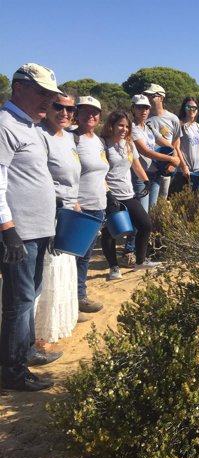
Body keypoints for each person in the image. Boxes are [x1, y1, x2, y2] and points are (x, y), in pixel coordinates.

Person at [0, 63, 61, 391]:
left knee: (30, 294)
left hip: (38, 229)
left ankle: (21, 354)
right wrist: (7, 227)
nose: (47, 101)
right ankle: (12, 371)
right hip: (19, 230)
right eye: (42, 93)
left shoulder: (31, 127)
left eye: (51, 96)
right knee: (19, 300)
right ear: (18, 88)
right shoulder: (5, 125)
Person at [35, 93, 83, 350]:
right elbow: (39, 177)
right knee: (47, 271)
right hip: (49, 213)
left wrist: (74, 201)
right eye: (59, 107)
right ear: (48, 107)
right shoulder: (40, 135)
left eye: (70, 108)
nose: (65, 113)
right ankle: (37, 333)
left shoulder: (68, 138)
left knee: (64, 268)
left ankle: (58, 324)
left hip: (68, 213)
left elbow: (70, 176)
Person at [100, 111, 160, 279]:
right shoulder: (103, 144)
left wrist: (146, 181)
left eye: (127, 126)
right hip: (110, 194)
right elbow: (99, 172)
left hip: (128, 193)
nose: (124, 129)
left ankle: (140, 261)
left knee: (145, 225)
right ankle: (113, 267)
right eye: (120, 125)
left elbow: (136, 165)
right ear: (111, 125)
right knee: (111, 231)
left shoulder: (129, 144)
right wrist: (107, 193)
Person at [122, 94, 179, 266]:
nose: (144, 110)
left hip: (153, 175)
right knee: (141, 216)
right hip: (141, 176)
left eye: (146, 107)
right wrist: (169, 159)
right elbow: (145, 151)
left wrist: (174, 152)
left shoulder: (147, 127)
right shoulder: (132, 129)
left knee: (150, 215)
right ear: (133, 108)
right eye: (139, 107)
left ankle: (143, 252)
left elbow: (164, 142)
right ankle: (129, 251)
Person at [74, 96, 109, 314]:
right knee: (74, 257)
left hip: (98, 205)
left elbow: (100, 171)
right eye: (85, 111)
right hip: (79, 208)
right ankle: (74, 299)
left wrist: (108, 194)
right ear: (76, 114)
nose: (91, 116)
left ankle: (80, 296)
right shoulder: (71, 139)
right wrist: (74, 202)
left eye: (95, 112)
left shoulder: (98, 141)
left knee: (85, 256)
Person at [144, 84, 185, 199]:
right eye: (146, 95)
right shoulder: (143, 117)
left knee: (162, 201)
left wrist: (173, 164)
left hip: (166, 168)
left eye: (151, 96)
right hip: (147, 168)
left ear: (161, 98)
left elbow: (176, 143)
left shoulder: (173, 119)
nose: (148, 99)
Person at [169, 97, 199, 194]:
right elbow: (176, 147)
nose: (191, 110)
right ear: (184, 109)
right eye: (188, 107)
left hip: (198, 171)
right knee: (181, 203)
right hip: (183, 172)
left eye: (194, 108)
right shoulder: (180, 125)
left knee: (197, 202)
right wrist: (184, 166)